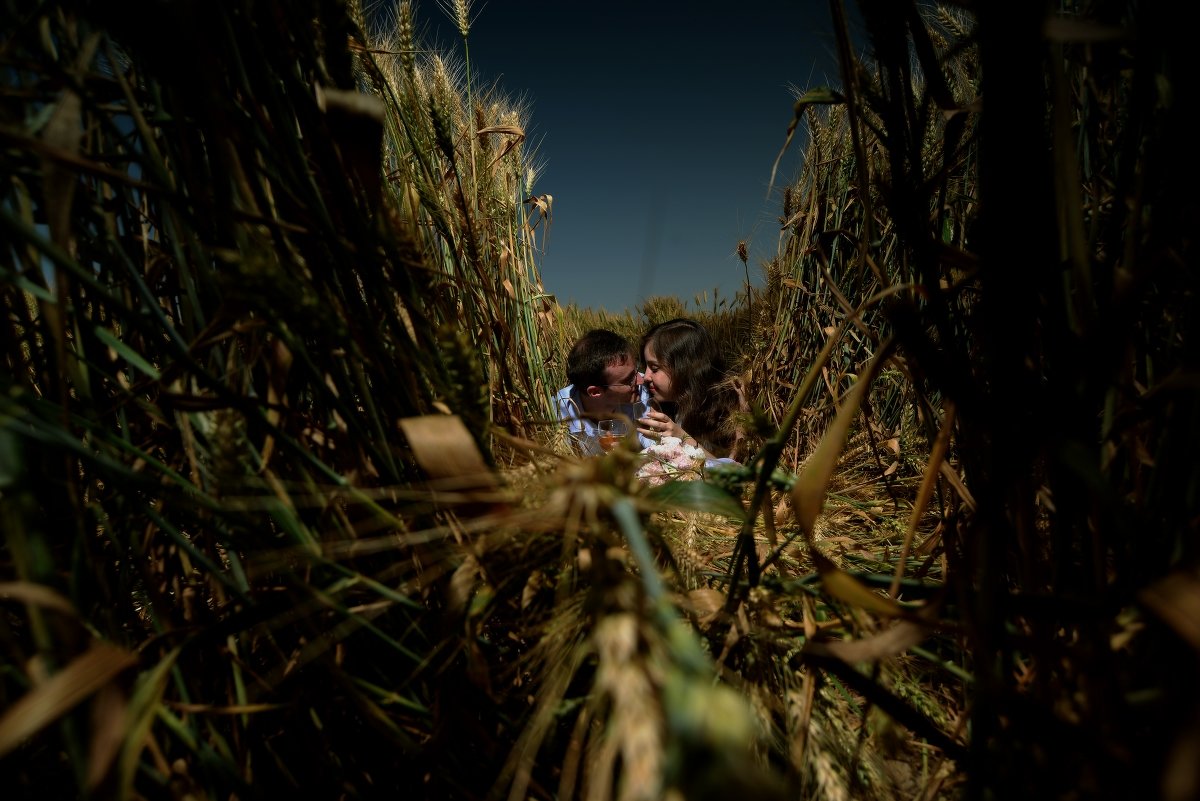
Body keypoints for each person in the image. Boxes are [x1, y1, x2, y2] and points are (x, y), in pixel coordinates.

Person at [636, 317, 745, 461]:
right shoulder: (666, 405)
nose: (646, 377)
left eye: (655, 368)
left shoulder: (732, 408)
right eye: (646, 368)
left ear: (684, 368)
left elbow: (734, 473)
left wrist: (681, 436)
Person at [555, 329, 655, 456]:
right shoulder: (557, 412)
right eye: (629, 380)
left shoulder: (643, 392)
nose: (641, 380)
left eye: (636, 372)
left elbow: (657, 450)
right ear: (595, 391)